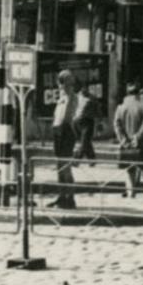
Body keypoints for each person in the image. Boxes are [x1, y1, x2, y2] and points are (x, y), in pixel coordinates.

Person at [113, 81, 143, 198]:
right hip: (142, 143)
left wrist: (123, 140)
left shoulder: (120, 107)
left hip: (127, 145)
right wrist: (137, 137)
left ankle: (131, 193)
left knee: (129, 170)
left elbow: (117, 125)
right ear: (138, 92)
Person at [49, 68, 77, 209]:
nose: (60, 85)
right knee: (59, 167)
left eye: (63, 82)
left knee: (65, 167)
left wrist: (65, 93)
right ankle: (61, 196)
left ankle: (70, 198)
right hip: (58, 132)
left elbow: (65, 117)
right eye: (60, 82)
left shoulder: (70, 97)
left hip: (66, 132)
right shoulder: (61, 97)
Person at [73, 83, 96, 164]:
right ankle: (92, 159)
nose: (84, 89)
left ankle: (77, 160)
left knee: (84, 141)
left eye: (85, 88)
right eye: (82, 88)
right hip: (77, 121)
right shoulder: (76, 97)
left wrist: (99, 121)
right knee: (85, 141)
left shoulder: (92, 98)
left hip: (87, 122)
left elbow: (97, 109)